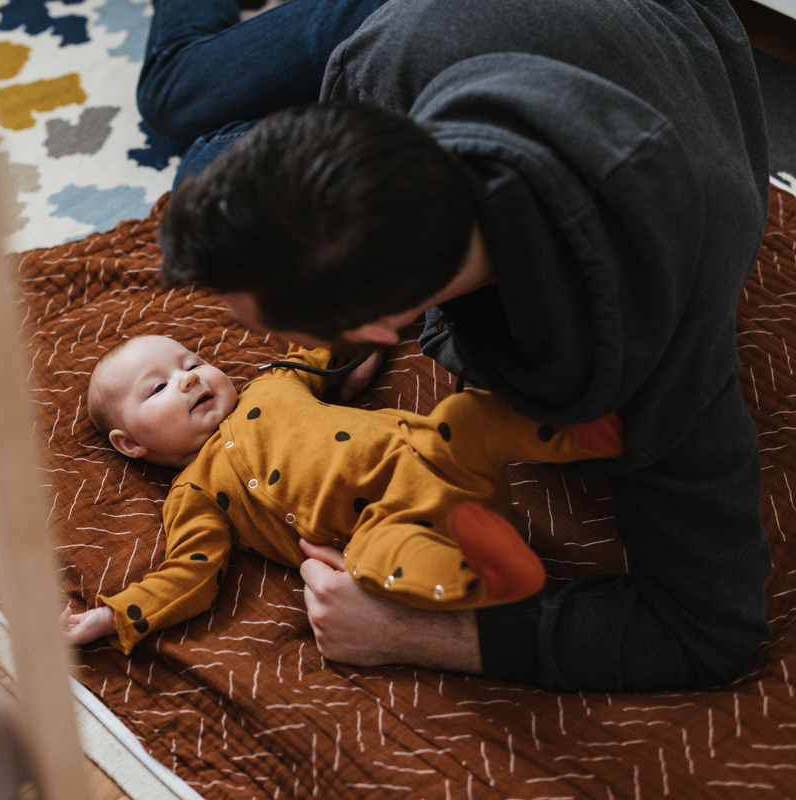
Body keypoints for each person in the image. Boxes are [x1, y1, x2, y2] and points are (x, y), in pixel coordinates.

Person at [138, 0, 774, 692]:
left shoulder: (660, 351)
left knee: (190, 140)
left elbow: (706, 633)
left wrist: (412, 633)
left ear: (387, 326)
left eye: (277, 336)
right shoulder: (386, 58)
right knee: (183, 117)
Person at [65, 335, 624, 653]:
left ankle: (585, 432)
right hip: (382, 525)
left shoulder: (273, 383)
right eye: (158, 387)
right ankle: (485, 572)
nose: (188, 378)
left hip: (427, 451)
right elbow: (189, 572)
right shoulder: (194, 494)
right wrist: (115, 617)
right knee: (381, 563)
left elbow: (318, 346)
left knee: (467, 418)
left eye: (191, 362)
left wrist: (357, 333)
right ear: (129, 444)